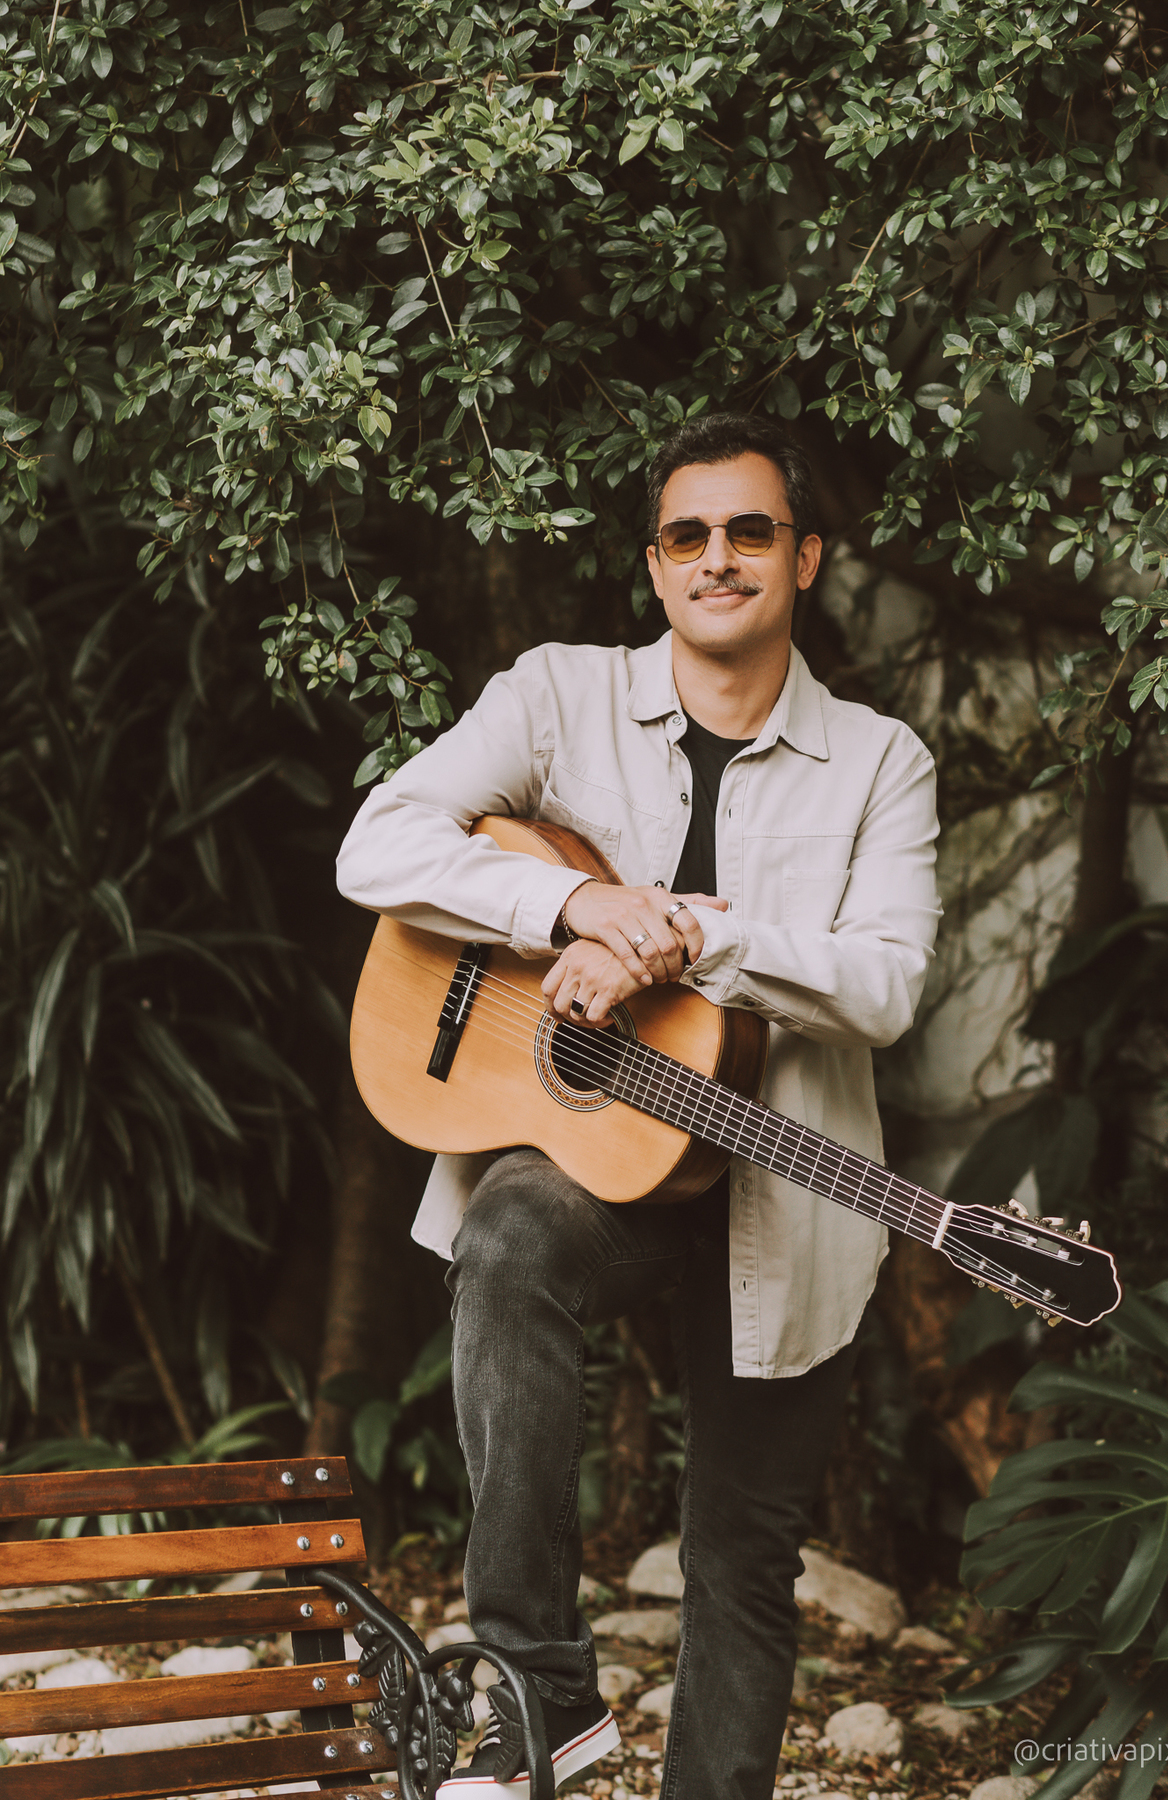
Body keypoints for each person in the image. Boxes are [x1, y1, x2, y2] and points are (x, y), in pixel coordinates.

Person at [336, 413, 941, 1800]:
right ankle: (540, 1691)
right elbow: (379, 843)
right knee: (507, 1242)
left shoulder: (882, 761)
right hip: (599, 1162)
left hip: (784, 1184)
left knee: (742, 1556)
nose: (718, 557)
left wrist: (691, 938)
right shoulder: (558, 695)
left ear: (805, 556)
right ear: (655, 565)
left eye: (750, 531)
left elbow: (888, 984)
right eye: (688, 535)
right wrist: (571, 905)